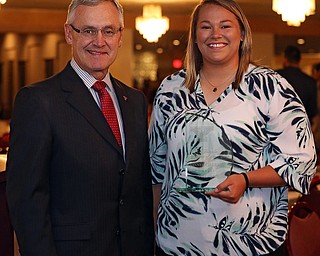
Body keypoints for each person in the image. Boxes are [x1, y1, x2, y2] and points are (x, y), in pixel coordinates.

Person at [148, 0, 317, 255]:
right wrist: (154, 230)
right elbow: (157, 168)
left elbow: (302, 162)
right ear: (195, 37)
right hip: (177, 242)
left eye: (225, 26)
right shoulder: (171, 90)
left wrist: (246, 179)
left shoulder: (270, 88)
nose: (215, 34)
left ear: (242, 34)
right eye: (206, 27)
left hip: (251, 244)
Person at [6, 1, 154, 256]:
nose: (99, 41)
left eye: (109, 31)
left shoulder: (135, 101)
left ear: (120, 36)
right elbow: (27, 201)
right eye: (88, 30)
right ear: (68, 34)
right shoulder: (38, 101)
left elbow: (137, 189)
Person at [276, 45, 318, 125]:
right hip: (301, 127)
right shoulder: (310, 82)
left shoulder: (276, 76)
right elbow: (312, 111)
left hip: (278, 127)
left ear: (285, 59)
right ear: (299, 60)